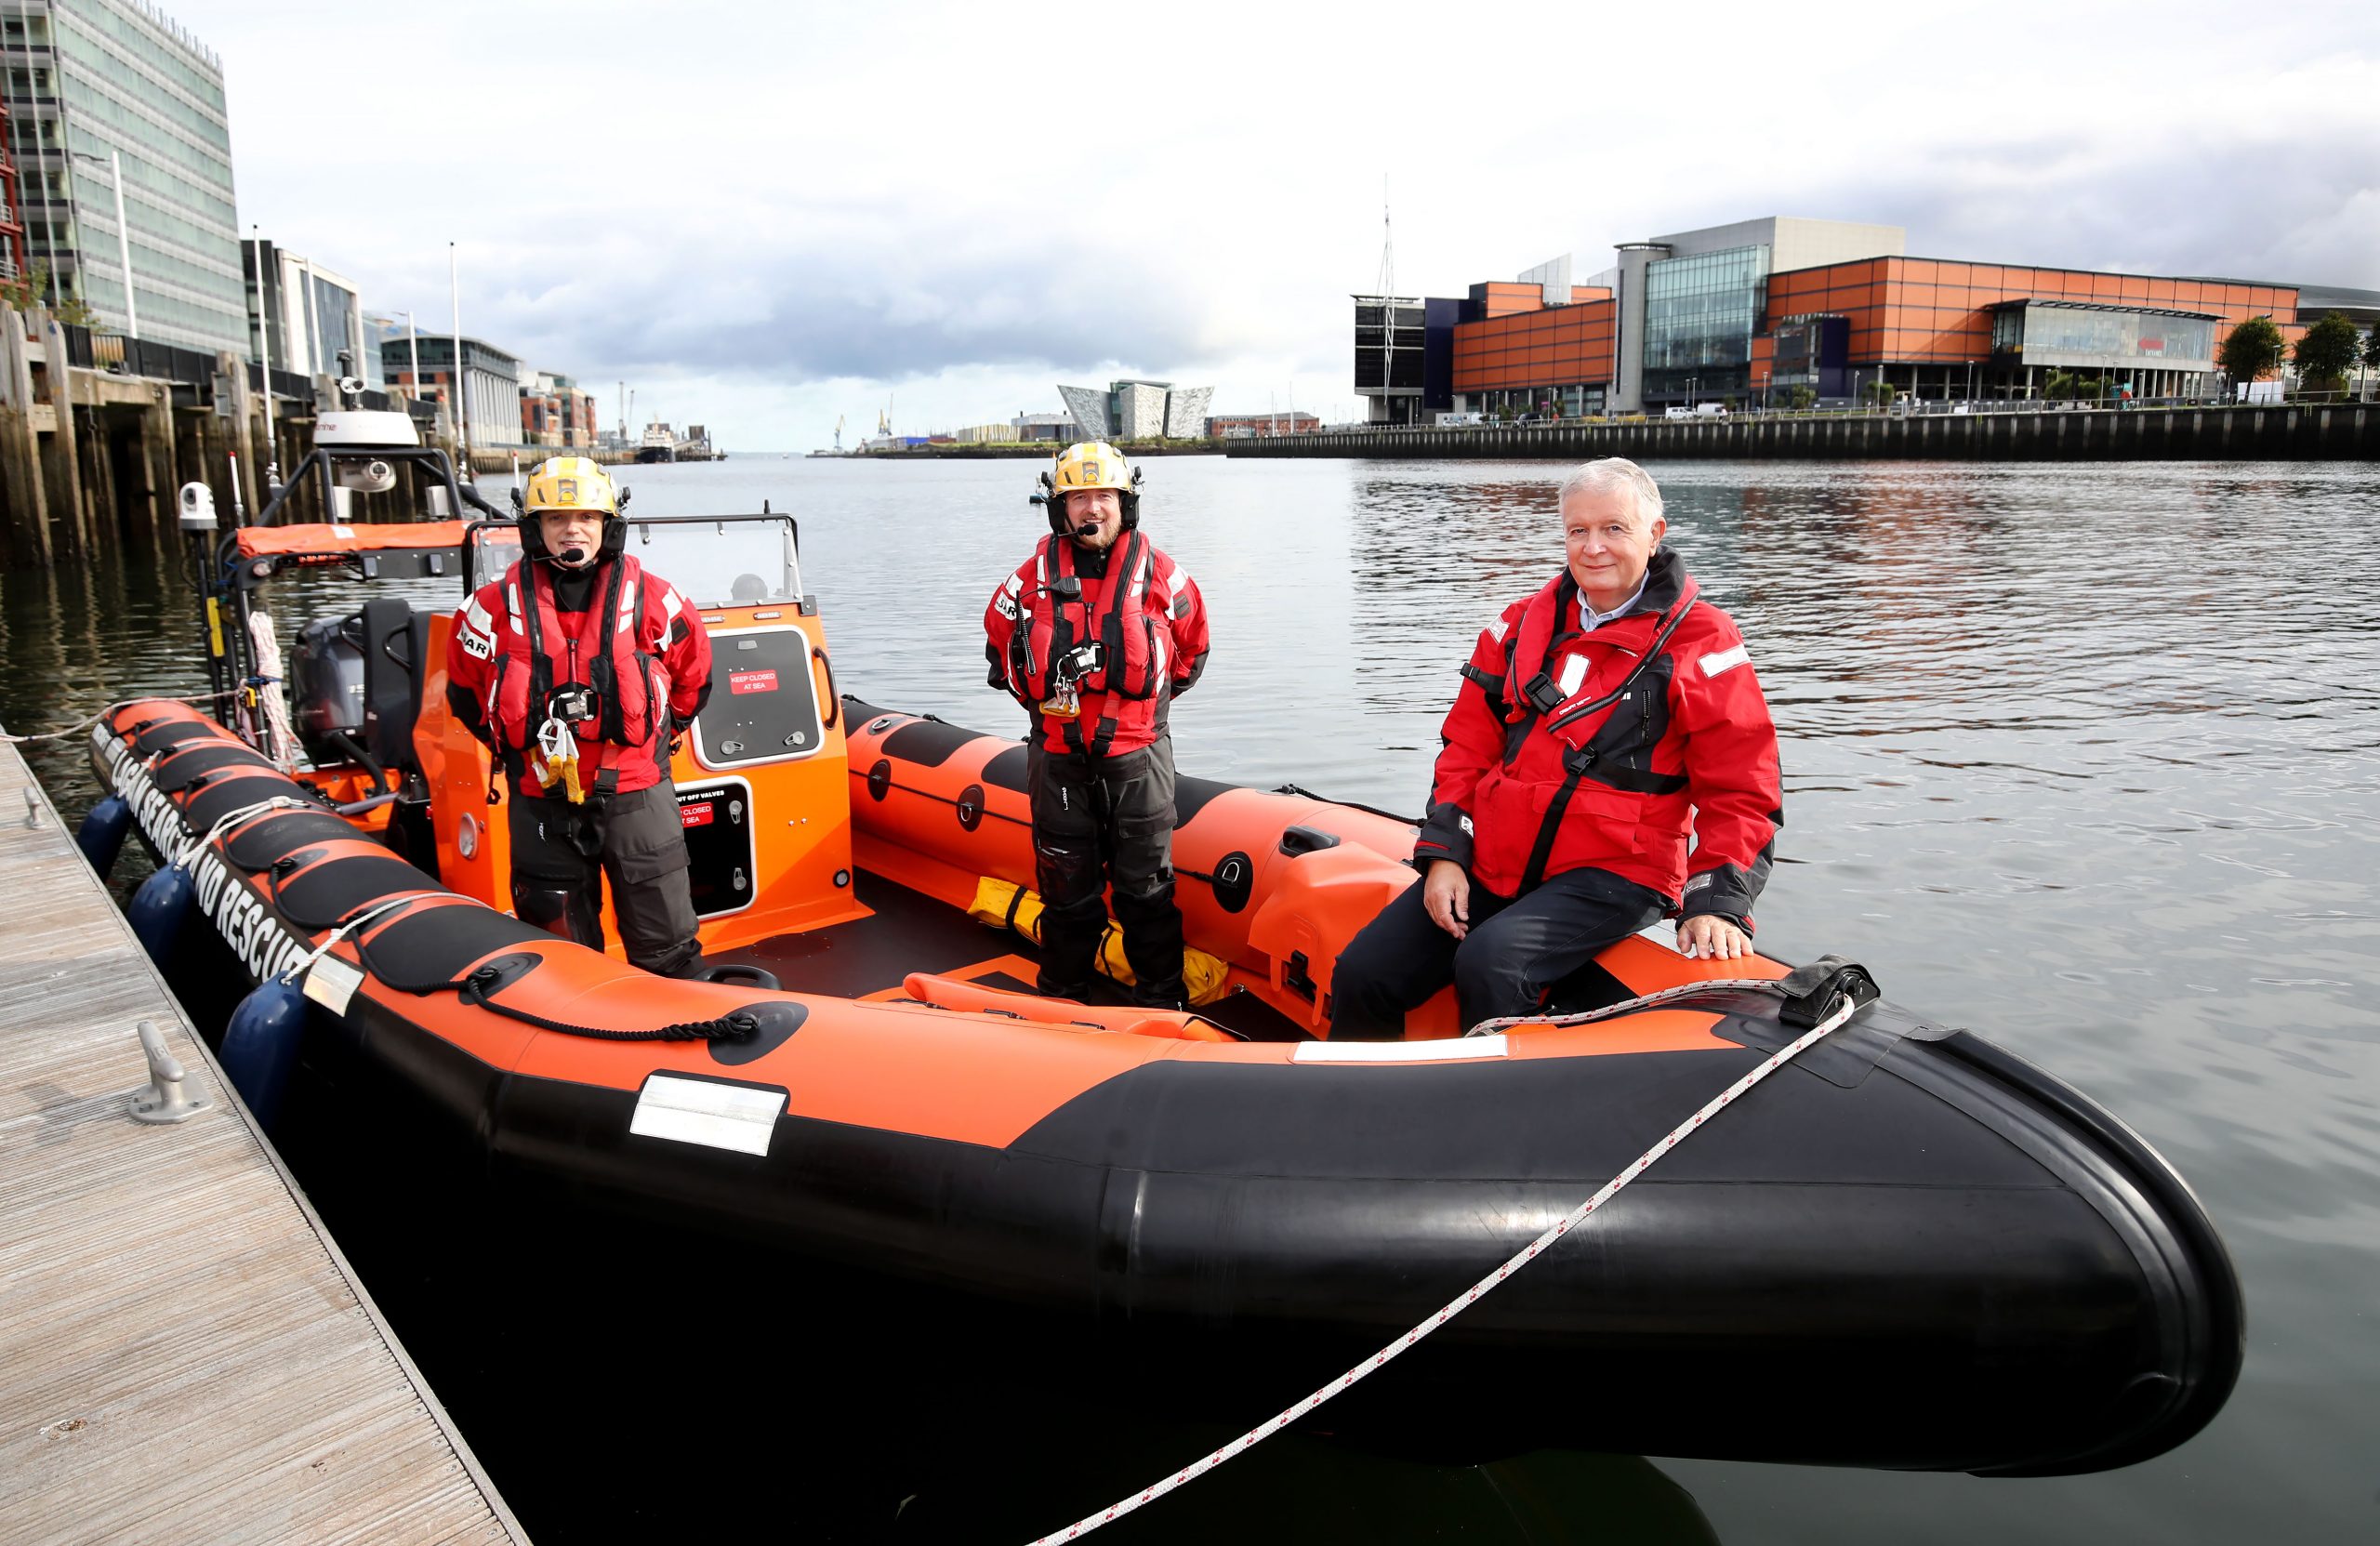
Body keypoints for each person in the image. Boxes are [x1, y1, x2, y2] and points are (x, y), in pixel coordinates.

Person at [1329, 457, 1781, 1037]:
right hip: (1499, 857)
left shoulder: (1704, 641)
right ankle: (1363, 1111)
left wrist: (1719, 900)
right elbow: (1465, 747)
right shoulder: (1519, 627)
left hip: (1617, 869)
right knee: (1364, 971)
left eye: (1614, 528)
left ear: (1655, 533)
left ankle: (1492, 1121)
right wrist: (1446, 854)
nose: (1593, 547)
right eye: (1578, 530)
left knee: (1492, 963)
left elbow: (1743, 786)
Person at [446, 456, 714, 977]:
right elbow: (466, 695)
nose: (573, 529)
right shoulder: (489, 609)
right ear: (534, 528)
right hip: (540, 798)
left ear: (608, 525)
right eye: (557, 519)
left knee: (668, 945)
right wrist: (522, 750)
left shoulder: (657, 601)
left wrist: (657, 739)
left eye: (588, 517)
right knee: (560, 953)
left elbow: (695, 678)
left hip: (637, 794)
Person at [984, 441, 1210, 1008]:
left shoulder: (1166, 577)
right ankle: (1062, 1001)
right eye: (1080, 497)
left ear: (1124, 503)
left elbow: (1193, 652)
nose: (1093, 509)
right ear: (1060, 507)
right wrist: (1055, 714)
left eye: (1104, 496)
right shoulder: (1027, 580)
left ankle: (1163, 1004)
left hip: (1138, 761)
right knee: (1066, 897)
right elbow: (999, 655)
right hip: (1058, 762)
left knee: (1147, 894)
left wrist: (1139, 715)